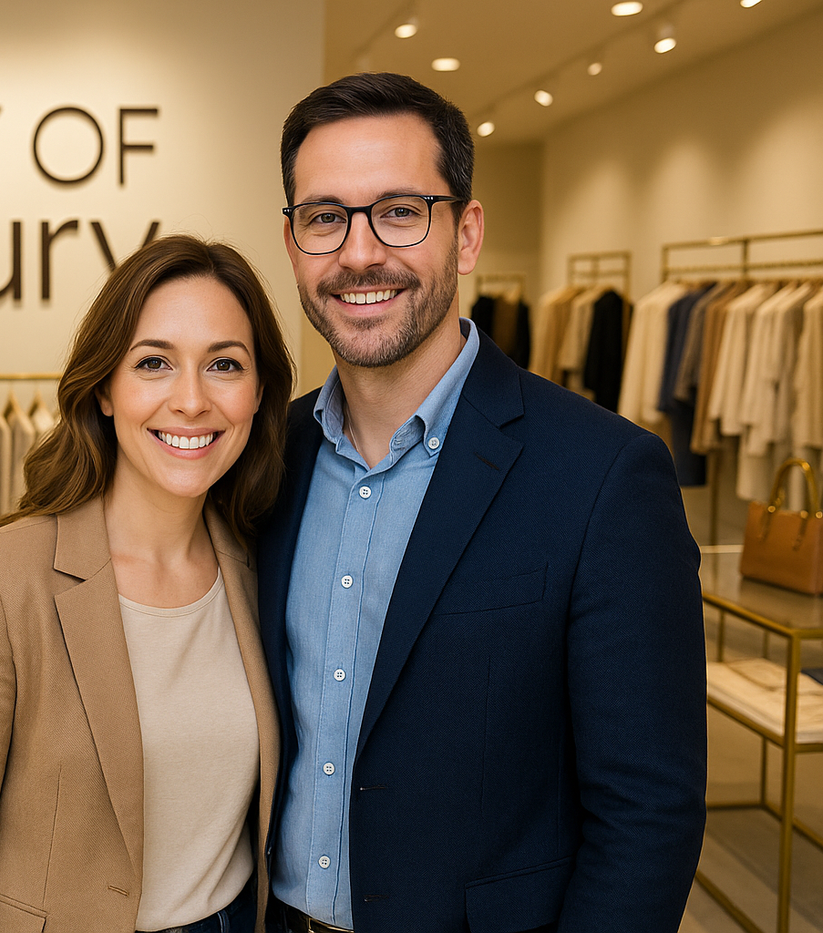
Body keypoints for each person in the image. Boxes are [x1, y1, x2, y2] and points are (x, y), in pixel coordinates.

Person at [258, 73, 707, 933]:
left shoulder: (605, 476)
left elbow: (648, 813)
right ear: (292, 242)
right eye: (325, 217)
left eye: (400, 211)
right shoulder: (264, 458)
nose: (359, 252)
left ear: (465, 234)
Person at [0, 234, 294, 933]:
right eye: (154, 362)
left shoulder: (266, 564)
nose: (191, 400)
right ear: (105, 388)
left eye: (224, 364)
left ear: (258, 394)